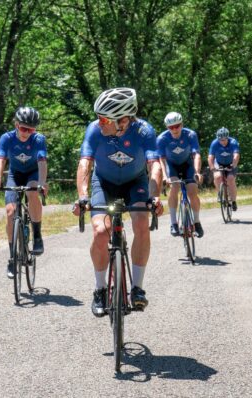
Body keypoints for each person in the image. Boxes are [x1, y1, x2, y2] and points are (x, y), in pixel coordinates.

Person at [72, 87, 164, 317]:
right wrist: (83, 197)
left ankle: (137, 288)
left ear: (122, 120)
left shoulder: (144, 131)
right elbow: (85, 164)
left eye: (104, 118)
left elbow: (155, 167)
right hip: (103, 182)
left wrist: (154, 196)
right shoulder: (94, 130)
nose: (98, 122)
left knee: (142, 222)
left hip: (136, 182)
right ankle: (100, 289)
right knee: (101, 231)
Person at [0, 107, 48, 279]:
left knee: (32, 192)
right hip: (14, 174)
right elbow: (0, 162)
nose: (26, 133)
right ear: (16, 125)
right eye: (23, 128)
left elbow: (42, 163)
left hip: (32, 174)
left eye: (31, 129)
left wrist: (42, 184)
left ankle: (37, 235)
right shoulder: (6, 138)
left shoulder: (38, 139)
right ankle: (12, 257)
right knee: (10, 212)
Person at [157, 112, 204, 238]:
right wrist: (166, 177)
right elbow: (161, 160)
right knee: (174, 187)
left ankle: (197, 222)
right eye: (171, 127)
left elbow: (196, 155)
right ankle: (173, 223)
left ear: (182, 124)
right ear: (167, 128)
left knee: (192, 192)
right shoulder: (162, 138)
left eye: (177, 126)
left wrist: (197, 172)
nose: (174, 129)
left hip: (188, 164)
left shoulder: (190, 134)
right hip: (171, 166)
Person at [208, 127, 241, 211]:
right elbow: (210, 157)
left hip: (231, 163)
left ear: (228, 137)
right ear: (218, 138)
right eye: (221, 140)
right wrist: (212, 168)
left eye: (224, 139)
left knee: (230, 179)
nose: (223, 142)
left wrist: (233, 165)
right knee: (217, 176)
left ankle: (233, 201)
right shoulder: (214, 143)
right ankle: (220, 193)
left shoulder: (233, 142)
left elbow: (236, 156)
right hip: (219, 163)